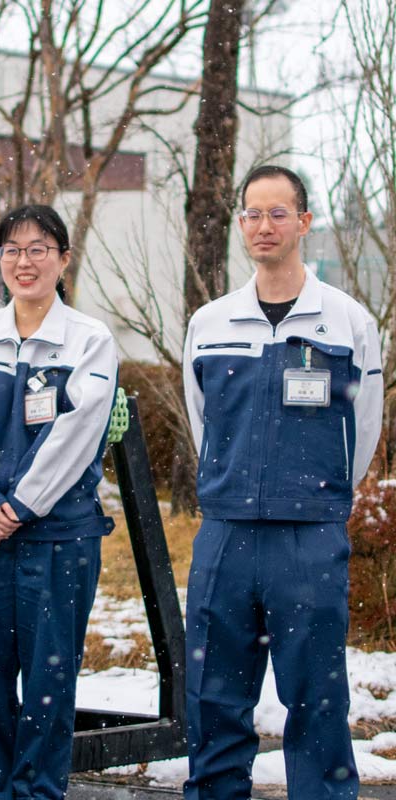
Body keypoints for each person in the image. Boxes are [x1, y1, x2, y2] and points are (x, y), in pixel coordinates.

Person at [182, 164, 384, 799]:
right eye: (252, 213)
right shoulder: (210, 323)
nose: (263, 226)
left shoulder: (348, 322)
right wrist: (234, 482)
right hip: (226, 536)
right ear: (240, 222)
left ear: (304, 221)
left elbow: (365, 430)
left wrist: (316, 497)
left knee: (317, 700)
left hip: (309, 538)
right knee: (214, 700)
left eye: (278, 213)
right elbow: (203, 424)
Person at [0, 204, 118, 800]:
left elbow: (77, 431)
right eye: (13, 249)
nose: (25, 260)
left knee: (49, 683)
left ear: (63, 260)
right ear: (0, 261)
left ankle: (38, 795)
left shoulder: (90, 341)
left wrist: (20, 506)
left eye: (40, 248)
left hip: (58, 537)